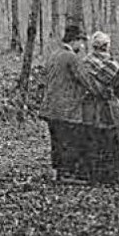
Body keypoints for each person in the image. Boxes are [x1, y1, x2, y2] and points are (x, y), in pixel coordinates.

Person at [39, 23, 92, 181]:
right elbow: (85, 80)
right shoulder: (71, 57)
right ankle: (68, 173)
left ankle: (59, 172)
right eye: (80, 41)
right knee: (70, 139)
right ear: (74, 41)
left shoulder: (53, 55)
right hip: (66, 108)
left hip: (50, 107)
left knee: (56, 140)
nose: (81, 46)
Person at [80, 31, 119, 186]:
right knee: (115, 140)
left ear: (93, 47)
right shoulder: (112, 66)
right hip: (109, 108)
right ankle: (117, 177)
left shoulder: (84, 64)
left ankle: (95, 176)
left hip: (89, 109)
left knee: (93, 140)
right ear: (106, 47)